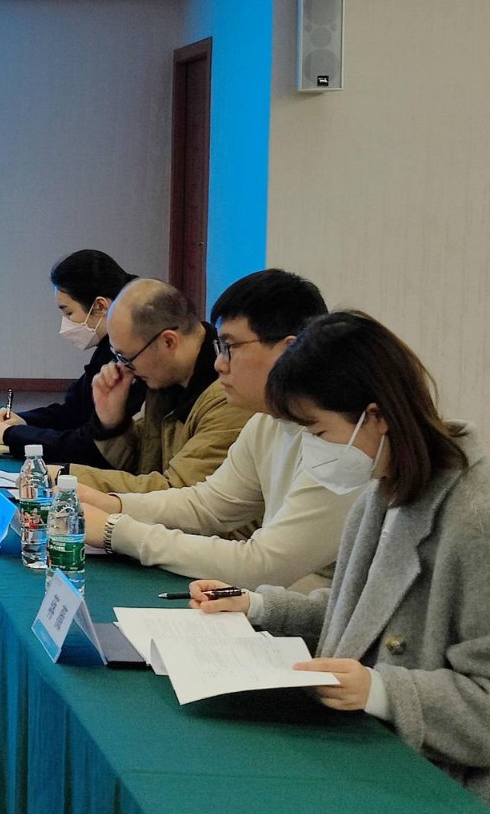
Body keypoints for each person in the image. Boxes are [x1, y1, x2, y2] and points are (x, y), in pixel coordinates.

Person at [190, 312, 490, 802]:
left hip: (435, 785)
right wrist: (257, 606)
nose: (310, 452)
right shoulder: (382, 491)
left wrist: (382, 691)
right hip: (363, 755)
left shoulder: (477, 518)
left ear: (377, 417)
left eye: (316, 432)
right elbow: (364, 615)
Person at [79, 270, 360, 592]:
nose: (219, 364)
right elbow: (207, 504)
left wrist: (116, 530)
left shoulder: (341, 441)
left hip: (319, 613)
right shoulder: (266, 422)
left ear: (287, 352)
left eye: (230, 347)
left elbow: (261, 565)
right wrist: (111, 504)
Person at [67, 279, 251, 493]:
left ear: (168, 342)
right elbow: (140, 467)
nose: (123, 367)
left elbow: (176, 494)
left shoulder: (230, 397)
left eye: (126, 357)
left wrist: (66, 477)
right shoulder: (166, 383)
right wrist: (112, 421)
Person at [0, 249, 142, 467]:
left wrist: (13, 435)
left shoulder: (129, 359)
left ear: (100, 306)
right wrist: (24, 421)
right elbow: (73, 411)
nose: (66, 323)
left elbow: (89, 446)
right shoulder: (107, 350)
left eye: (69, 313)